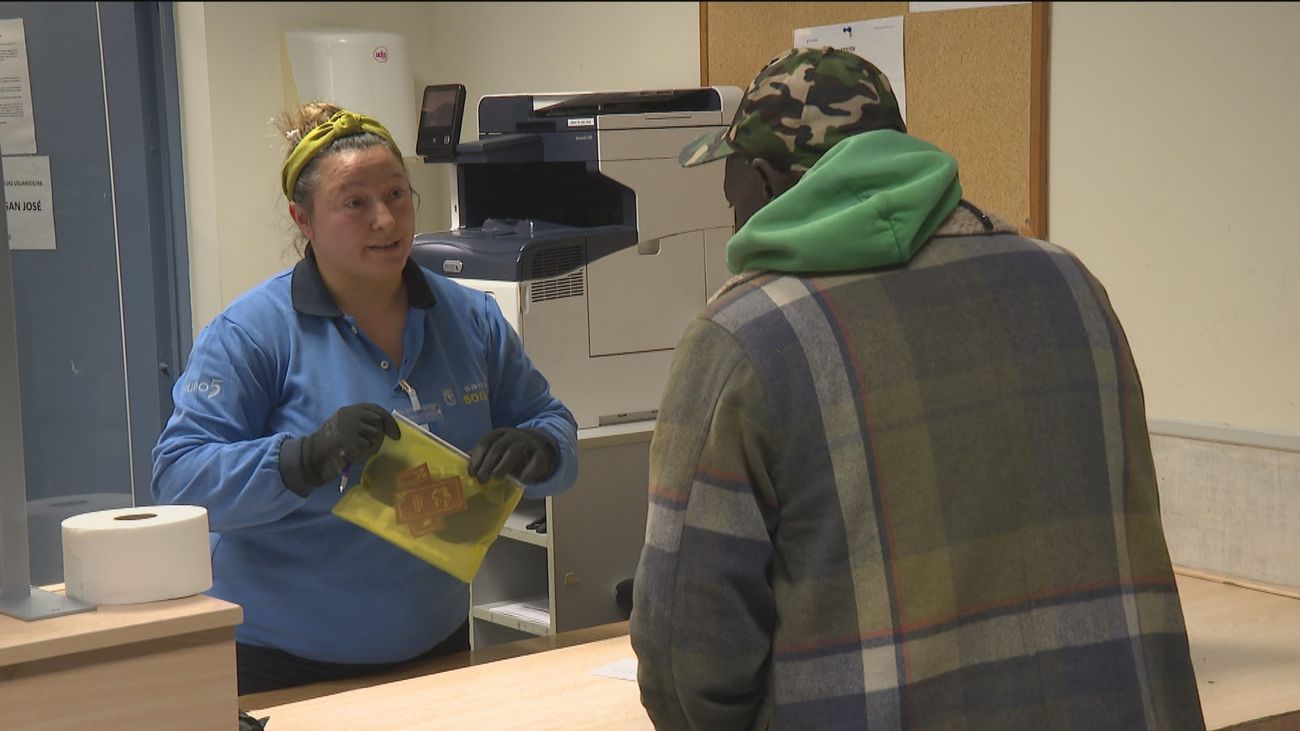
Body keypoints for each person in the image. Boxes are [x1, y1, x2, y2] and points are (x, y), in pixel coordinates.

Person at [630, 48, 1204, 730]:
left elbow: (685, 658)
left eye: (732, 195)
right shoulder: (1072, 288)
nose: (733, 220)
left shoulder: (741, 341)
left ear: (762, 179)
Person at [152, 102, 579, 695]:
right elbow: (178, 478)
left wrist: (540, 450)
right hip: (280, 663)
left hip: (438, 650)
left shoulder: (471, 319)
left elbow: (550, 422)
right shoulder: (253, 334)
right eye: (355, 202)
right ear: (303, 219)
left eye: (398, 195)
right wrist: (300, 459)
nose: (386, 219)